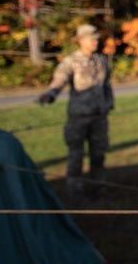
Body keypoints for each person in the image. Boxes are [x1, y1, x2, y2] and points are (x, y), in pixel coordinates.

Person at [36, 24, 114, 198]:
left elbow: (107, 84)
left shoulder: (101, 60)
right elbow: (59, 81)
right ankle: (75, 189)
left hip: (99, 117)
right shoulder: (71, 61)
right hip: (79, 117)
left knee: (99, 154)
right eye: (91, 38)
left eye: (96, 38)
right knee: (76, 155)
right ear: (81, 40)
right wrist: (49, 95)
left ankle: (99, 187)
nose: (96, 41)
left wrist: (109, 103)